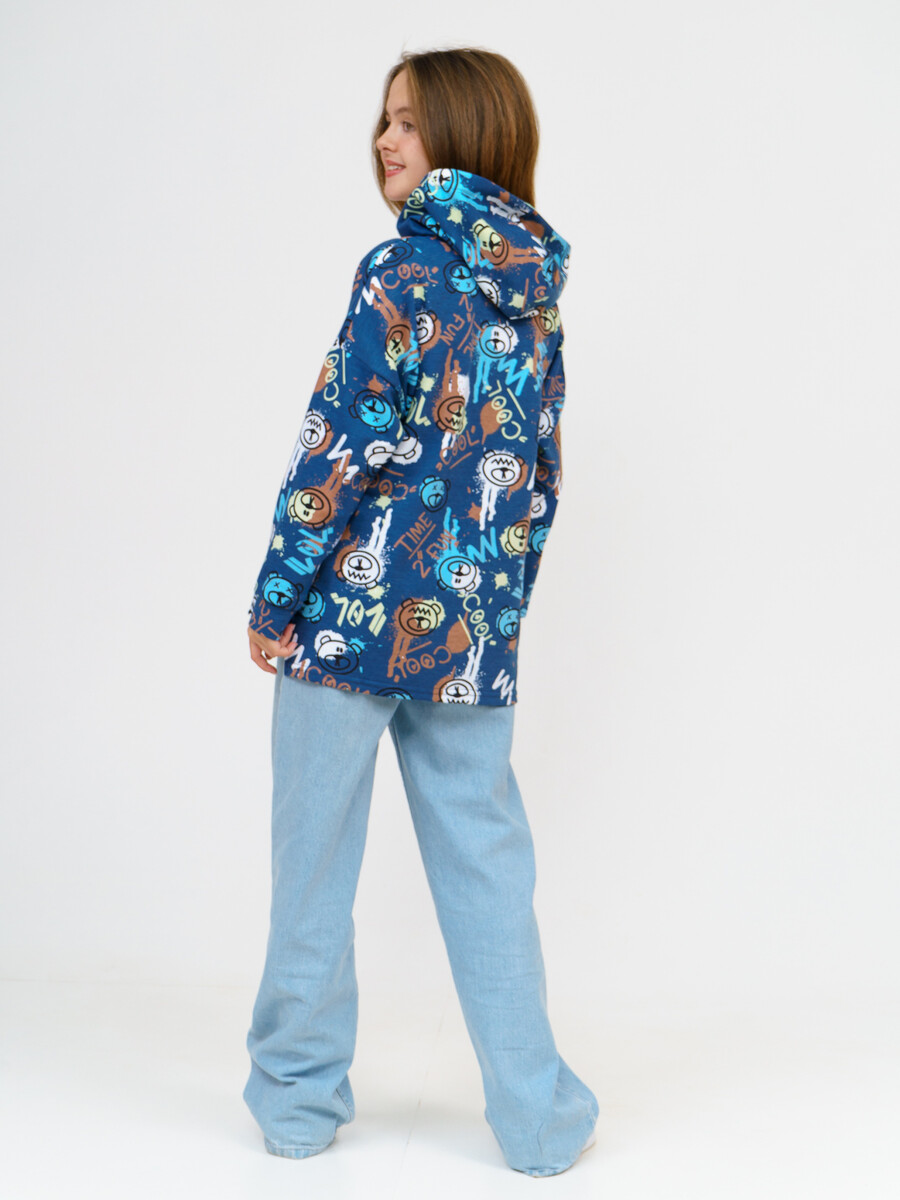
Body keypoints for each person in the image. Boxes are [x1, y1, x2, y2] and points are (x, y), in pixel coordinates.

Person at [241, 47, 598, 1177]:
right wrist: (496, 610)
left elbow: (339, 445)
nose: (385, 139)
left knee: (311, 862)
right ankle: (539, 1122)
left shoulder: (399, 268)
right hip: (467, 630)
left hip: (347, 621)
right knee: (487, 865)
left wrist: (278, 594)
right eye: (384, 120)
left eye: (407, 120)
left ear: (463, 130)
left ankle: (297, 1106)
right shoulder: (535, 291)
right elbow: (539, 476)